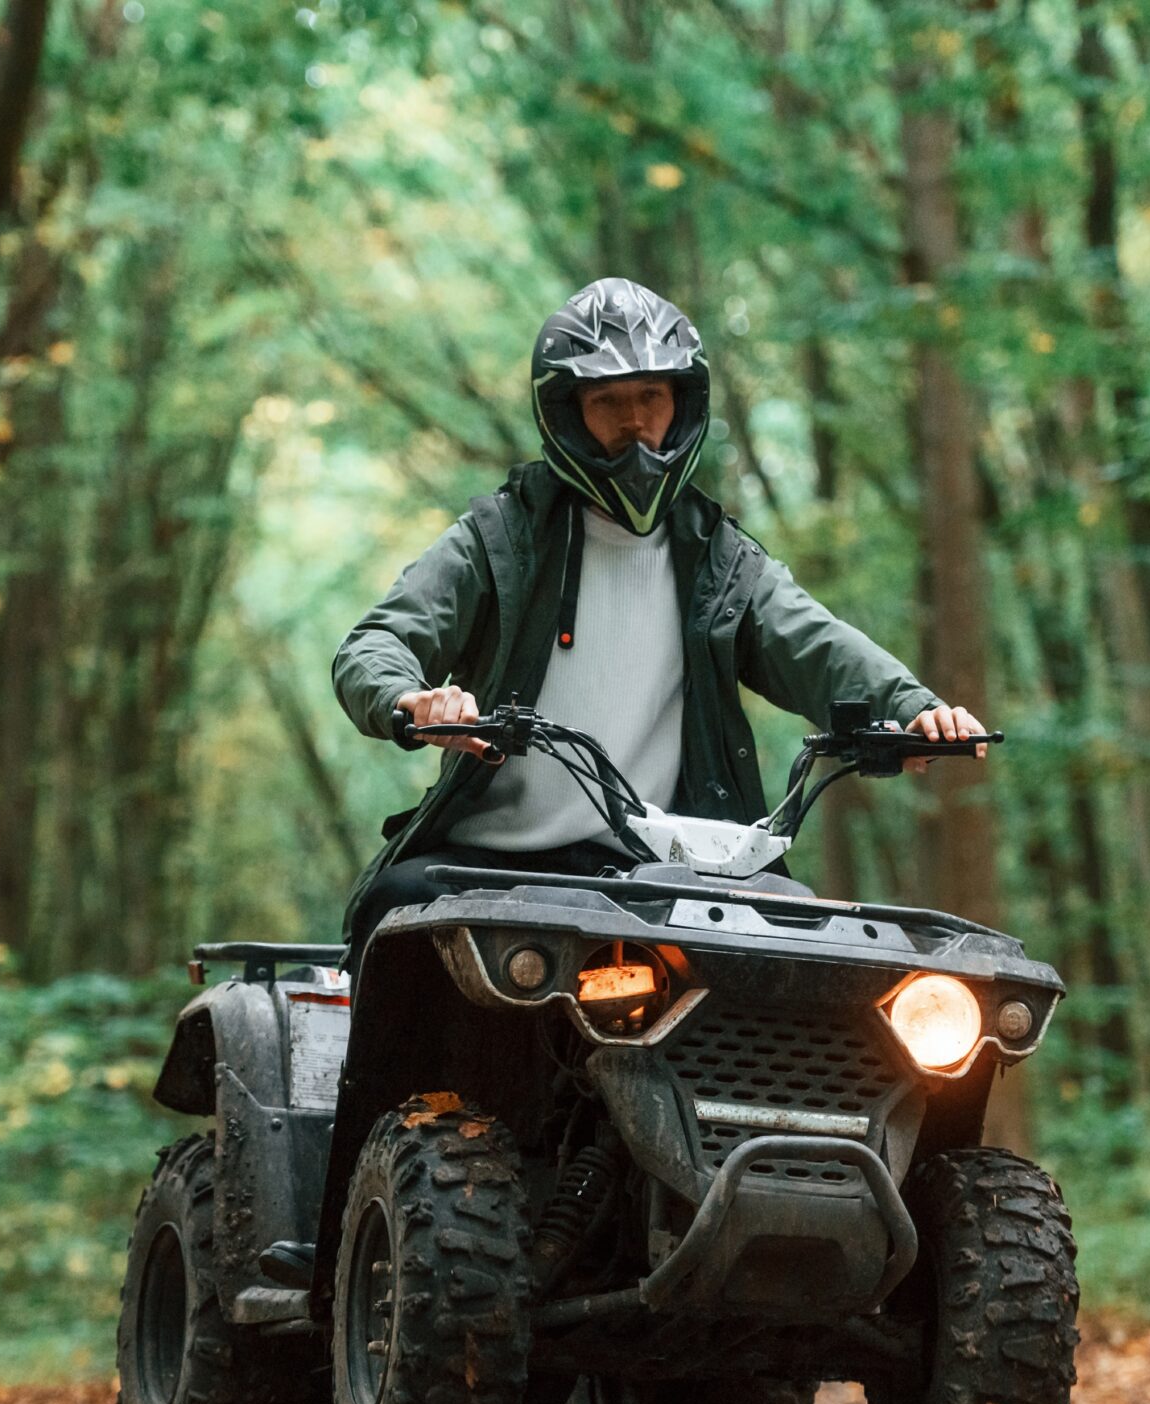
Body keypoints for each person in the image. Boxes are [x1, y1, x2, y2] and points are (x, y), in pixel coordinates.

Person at [333, 277, 986, 957]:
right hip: (493, 861)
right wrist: (411, 699)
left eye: (652, 396)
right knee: (394, 910)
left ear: (682, 403)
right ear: (566, 412)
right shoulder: (500, 539)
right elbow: (374, 645)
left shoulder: (720, 559)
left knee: (810, 940)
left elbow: (815, 642)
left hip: (668, 870)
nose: (635, 420)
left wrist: (914, 708)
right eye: (607, 401)